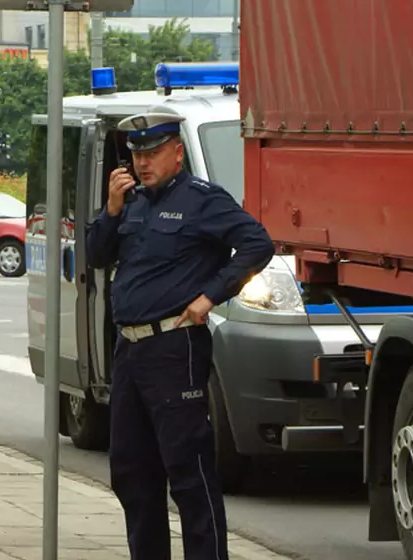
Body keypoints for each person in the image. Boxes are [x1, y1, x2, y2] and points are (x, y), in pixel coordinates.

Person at [85, 107, 275, 560]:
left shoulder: (202, 200)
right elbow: (95, 255)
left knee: (188, 474)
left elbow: (257, 244)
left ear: (176, 152)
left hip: (175, 346)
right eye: (135, 155)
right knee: (132, 472)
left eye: (152, 152)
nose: (142, 163)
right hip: (129, 351)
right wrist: (110, 212)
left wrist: (211, 295)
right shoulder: (130, 204)